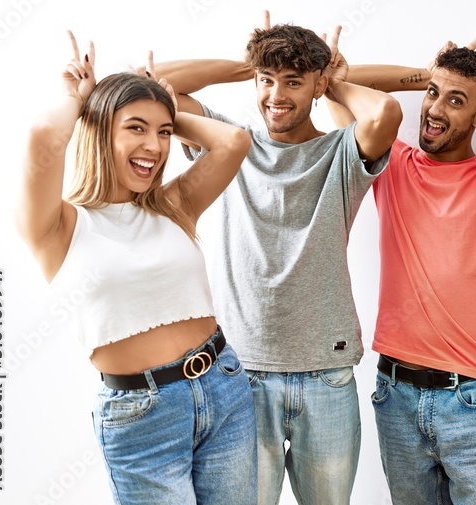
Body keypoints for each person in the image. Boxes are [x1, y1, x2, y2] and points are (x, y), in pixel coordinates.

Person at [157, 12, 402, 505]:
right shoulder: (229, 143)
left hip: (326, 375)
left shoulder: (343, 153)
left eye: (293, 81)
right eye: (267, 81)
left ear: (316, 85)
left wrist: (336, 82)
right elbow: (157, 88)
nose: (276, 95)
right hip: (239, 373)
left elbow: (386, 114)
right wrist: (247, 63)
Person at [16, 33, 255, 504]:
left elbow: (232, 142)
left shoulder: (173, 205)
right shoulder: (59, 226)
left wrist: (164, 103)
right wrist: (79, 99)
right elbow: (43, 136)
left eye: (164, 132)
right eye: (136, 128)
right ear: (101, 128)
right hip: (141, 418)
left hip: (224, 388)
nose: (155, 146)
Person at [332, 34, 476, 504]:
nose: (436, 109)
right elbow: (337, 86)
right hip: (396, 396)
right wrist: (424, 75)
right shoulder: (395, 164)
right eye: (433, 94)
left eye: (456, 101)